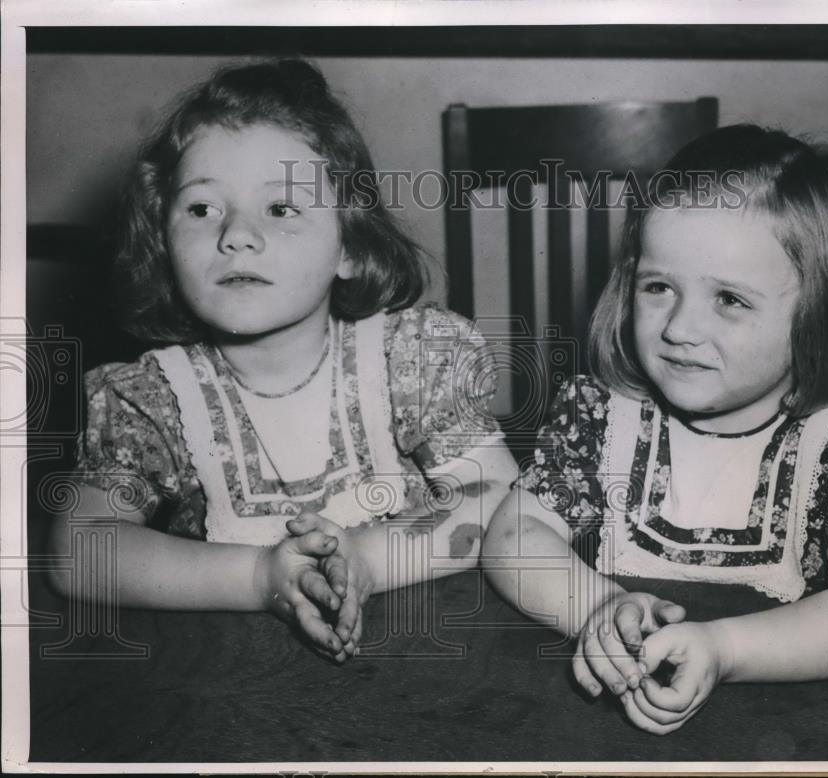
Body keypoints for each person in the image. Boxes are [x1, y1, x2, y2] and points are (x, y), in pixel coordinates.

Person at [48, 58, 516, 663]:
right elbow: (78, 551)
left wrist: (366, 558)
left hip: (426, 660)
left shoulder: (410, 362)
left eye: (281, 209)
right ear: (163, 248)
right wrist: (259, 578)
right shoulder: (154, 399)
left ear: (348, 247)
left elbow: (503, 496)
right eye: (201, 209)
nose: (237, 234)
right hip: (232, 690)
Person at [484, 124, 828, 734]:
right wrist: (599, 607)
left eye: (729, 300)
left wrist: (724, 651)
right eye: (659, 287)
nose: (678, 328)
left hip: (784, 725)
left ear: (822, 313)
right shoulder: (602, 411)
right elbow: (512, 534)